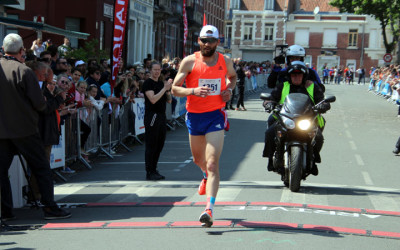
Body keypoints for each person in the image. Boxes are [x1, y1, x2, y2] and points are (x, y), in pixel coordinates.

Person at [171, 25, 237, 227]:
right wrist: (193, 91)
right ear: (198, 41)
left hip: (215, 115)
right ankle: (204, 177)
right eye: (203, 40)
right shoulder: (190, 61)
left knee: (212, 164)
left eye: (211, 41)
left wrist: (229, 90)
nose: (207, 44)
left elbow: (232, 78)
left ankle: (209, 209)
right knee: (198, 160)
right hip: (194, 117)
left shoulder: (225, 61)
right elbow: (174, 89)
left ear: (218, 42)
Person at [0, 33, 71, 220]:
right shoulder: (23, 71)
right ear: (22, 50)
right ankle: (49, 207)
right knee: (41, 168)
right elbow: (40, 104)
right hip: (25, 129)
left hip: (2, 130)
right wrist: (55, 100)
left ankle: (5, 211)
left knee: (1, 171)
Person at [263, 61, 330, 176]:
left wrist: (324, 105)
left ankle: (313, 159)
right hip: (286, 119)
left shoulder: (312, 86)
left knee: (318, 137)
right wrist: (269, 103)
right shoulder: (283, 86)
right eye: (294, 75)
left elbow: (322, 100)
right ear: (289, 76)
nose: (297, 77)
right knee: (270, 132)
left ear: (304, 76)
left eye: (299, 75)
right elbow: (271, 98)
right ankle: (271, 159)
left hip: (307, 119)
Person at [142, 61, 173, 180]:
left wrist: (168, 89)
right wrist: (164, 89)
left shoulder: (161, 83)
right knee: (151, 144)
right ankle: (149, 171)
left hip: (161, 115)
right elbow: (153, 99)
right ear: (150, 70)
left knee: (160, 144)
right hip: (152, 116)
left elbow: (169, 100)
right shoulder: (148, 83)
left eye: (159, 70)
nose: (157, 72)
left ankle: (154, 168)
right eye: (155, 69)